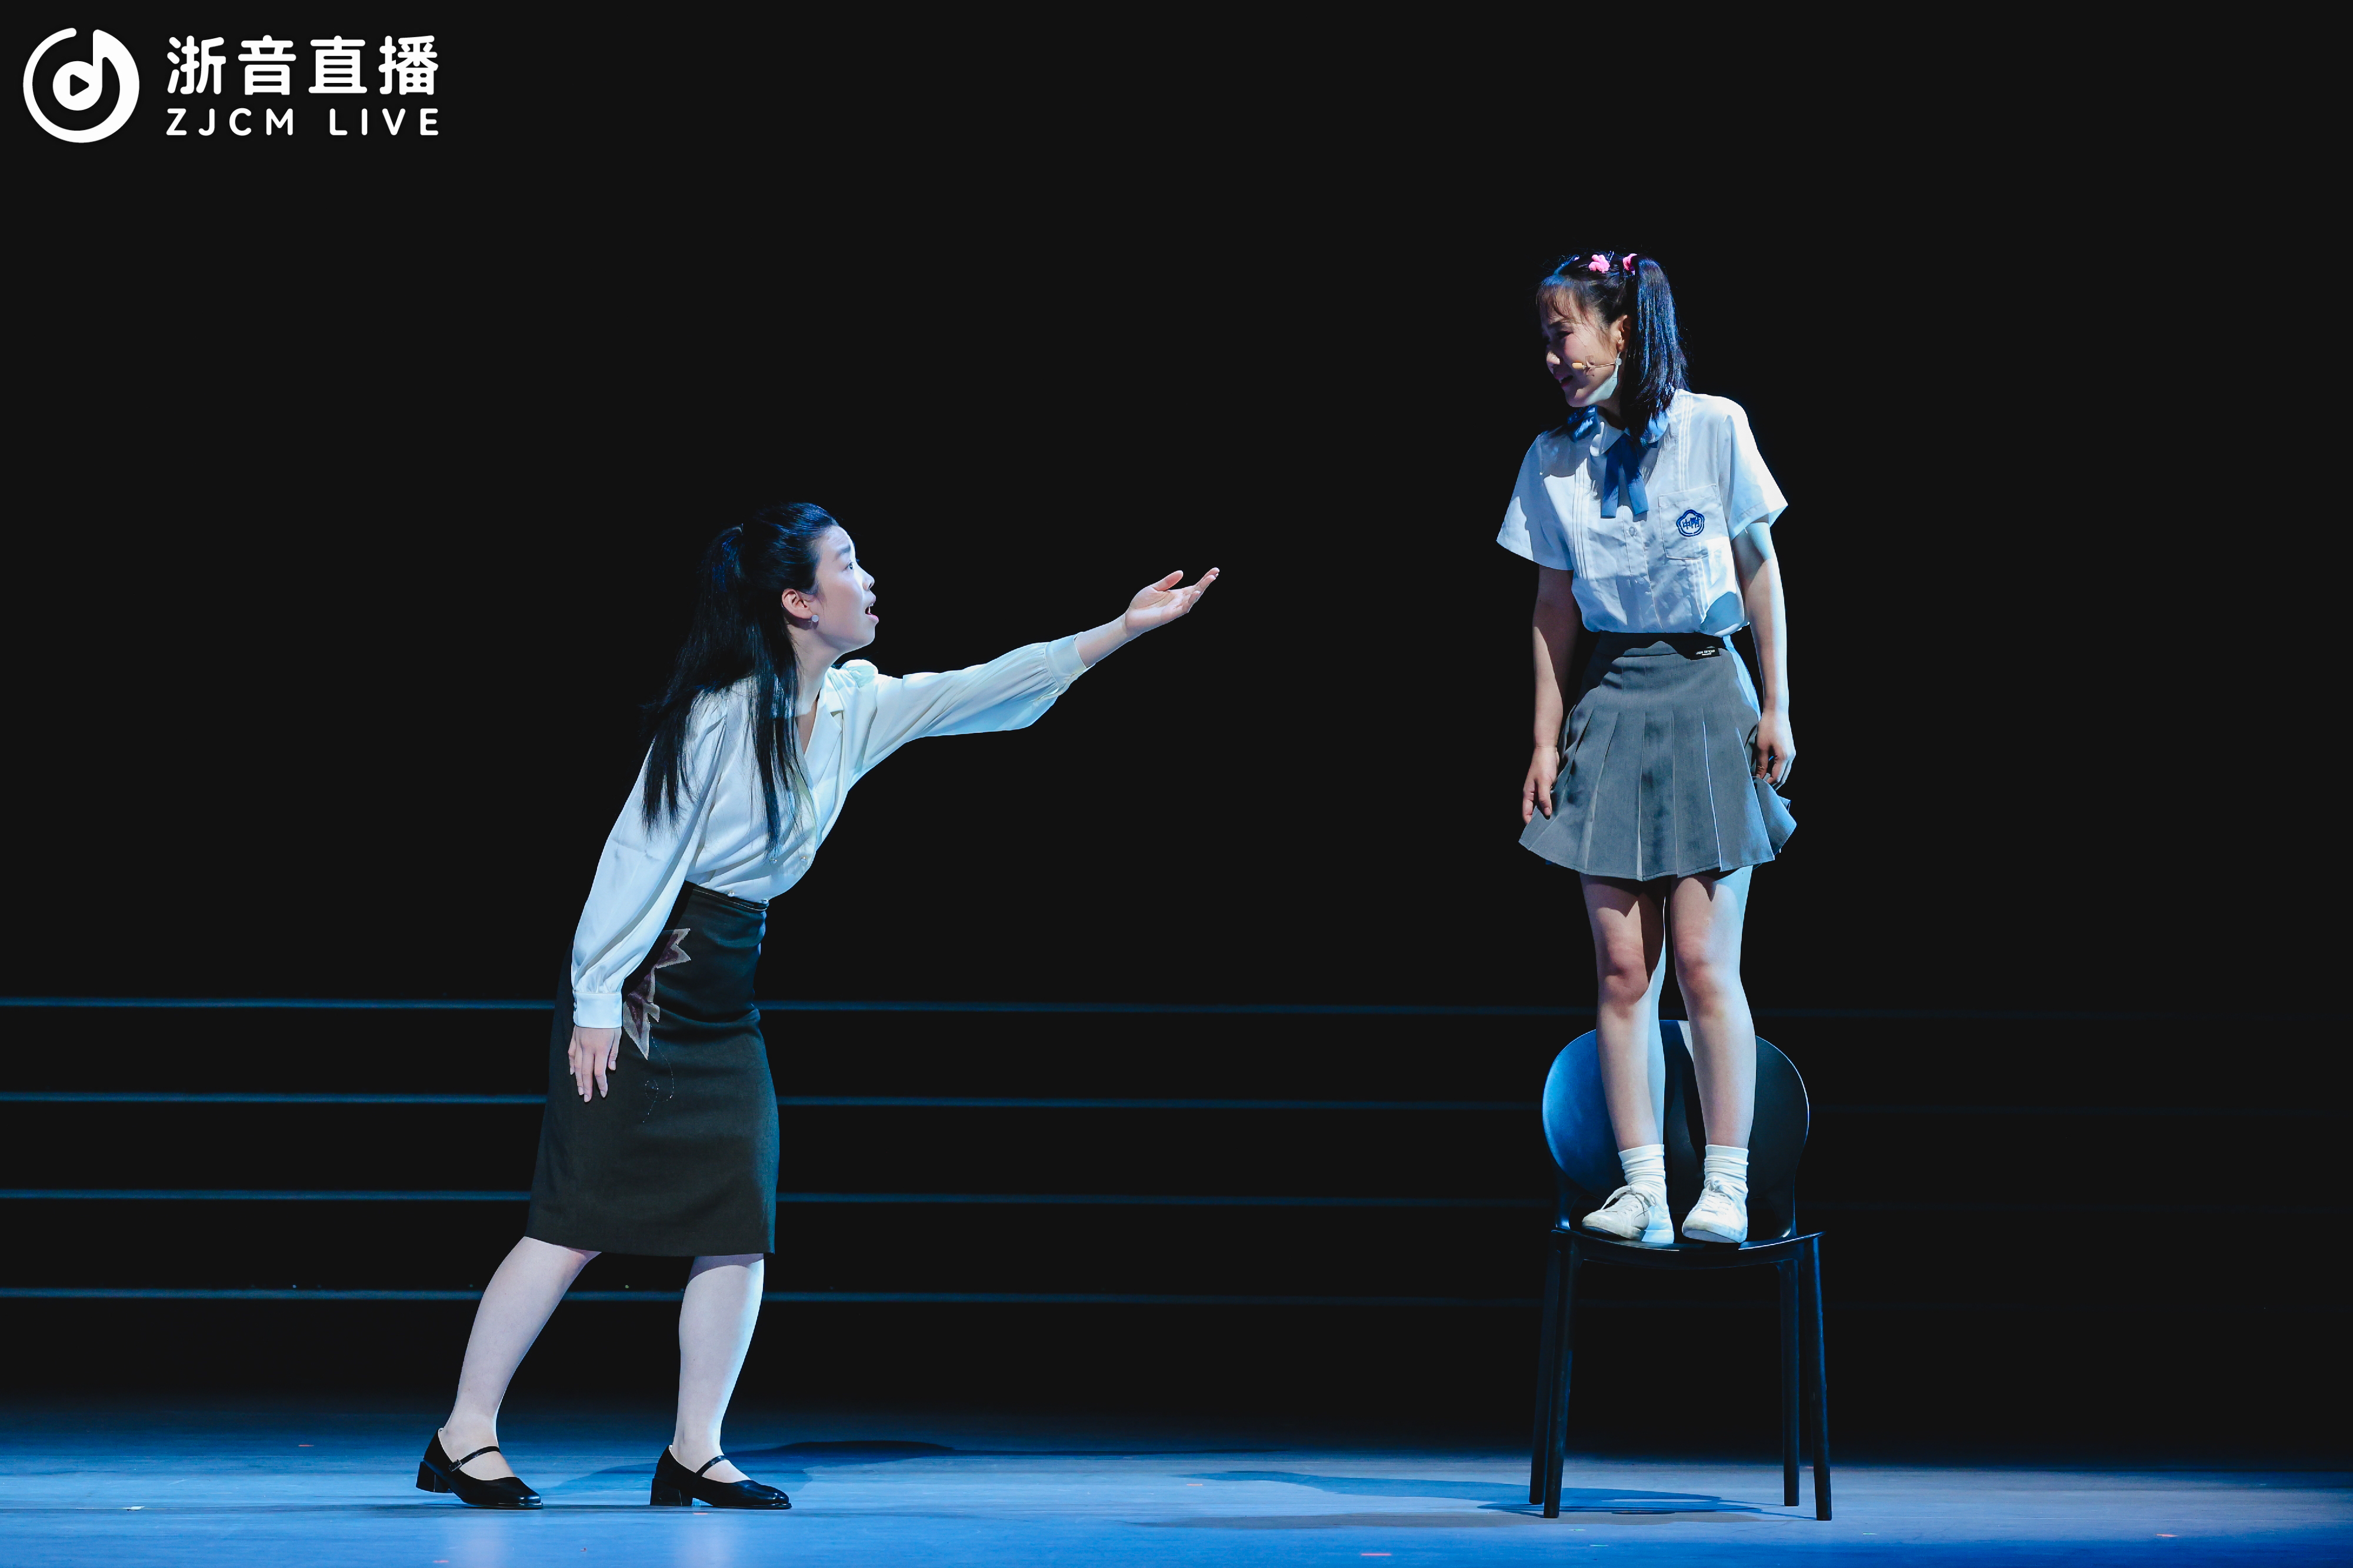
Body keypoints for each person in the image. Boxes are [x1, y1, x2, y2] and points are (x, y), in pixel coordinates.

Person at [416, 503, 1218, 1509]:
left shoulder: (852, 704)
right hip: (650, 981)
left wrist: (1120, 630)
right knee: (575, 1219)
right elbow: (639, 855)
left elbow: (980, 687)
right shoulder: (718, 715)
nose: (868, 580)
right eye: (848, 563)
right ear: (798, 601)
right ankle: (463, 1434)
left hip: (727, 990)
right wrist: (596, 997)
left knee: (737, 1219)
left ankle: (695, 1449)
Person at [1500, 251, 1794, 1247]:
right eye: (1545, 340)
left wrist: (1777, 704)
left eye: (1564, 334)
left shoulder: (1715, 427)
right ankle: (1641, 1189)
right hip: (1613, 699)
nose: (1554, 357)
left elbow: (1759, 570)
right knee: (1624, 967)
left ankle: (1727, 1181)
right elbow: (1552, 607)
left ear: (1620, 331)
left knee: (1706, 961)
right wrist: (1544, 739)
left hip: (1709, 690)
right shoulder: (1553, 459)